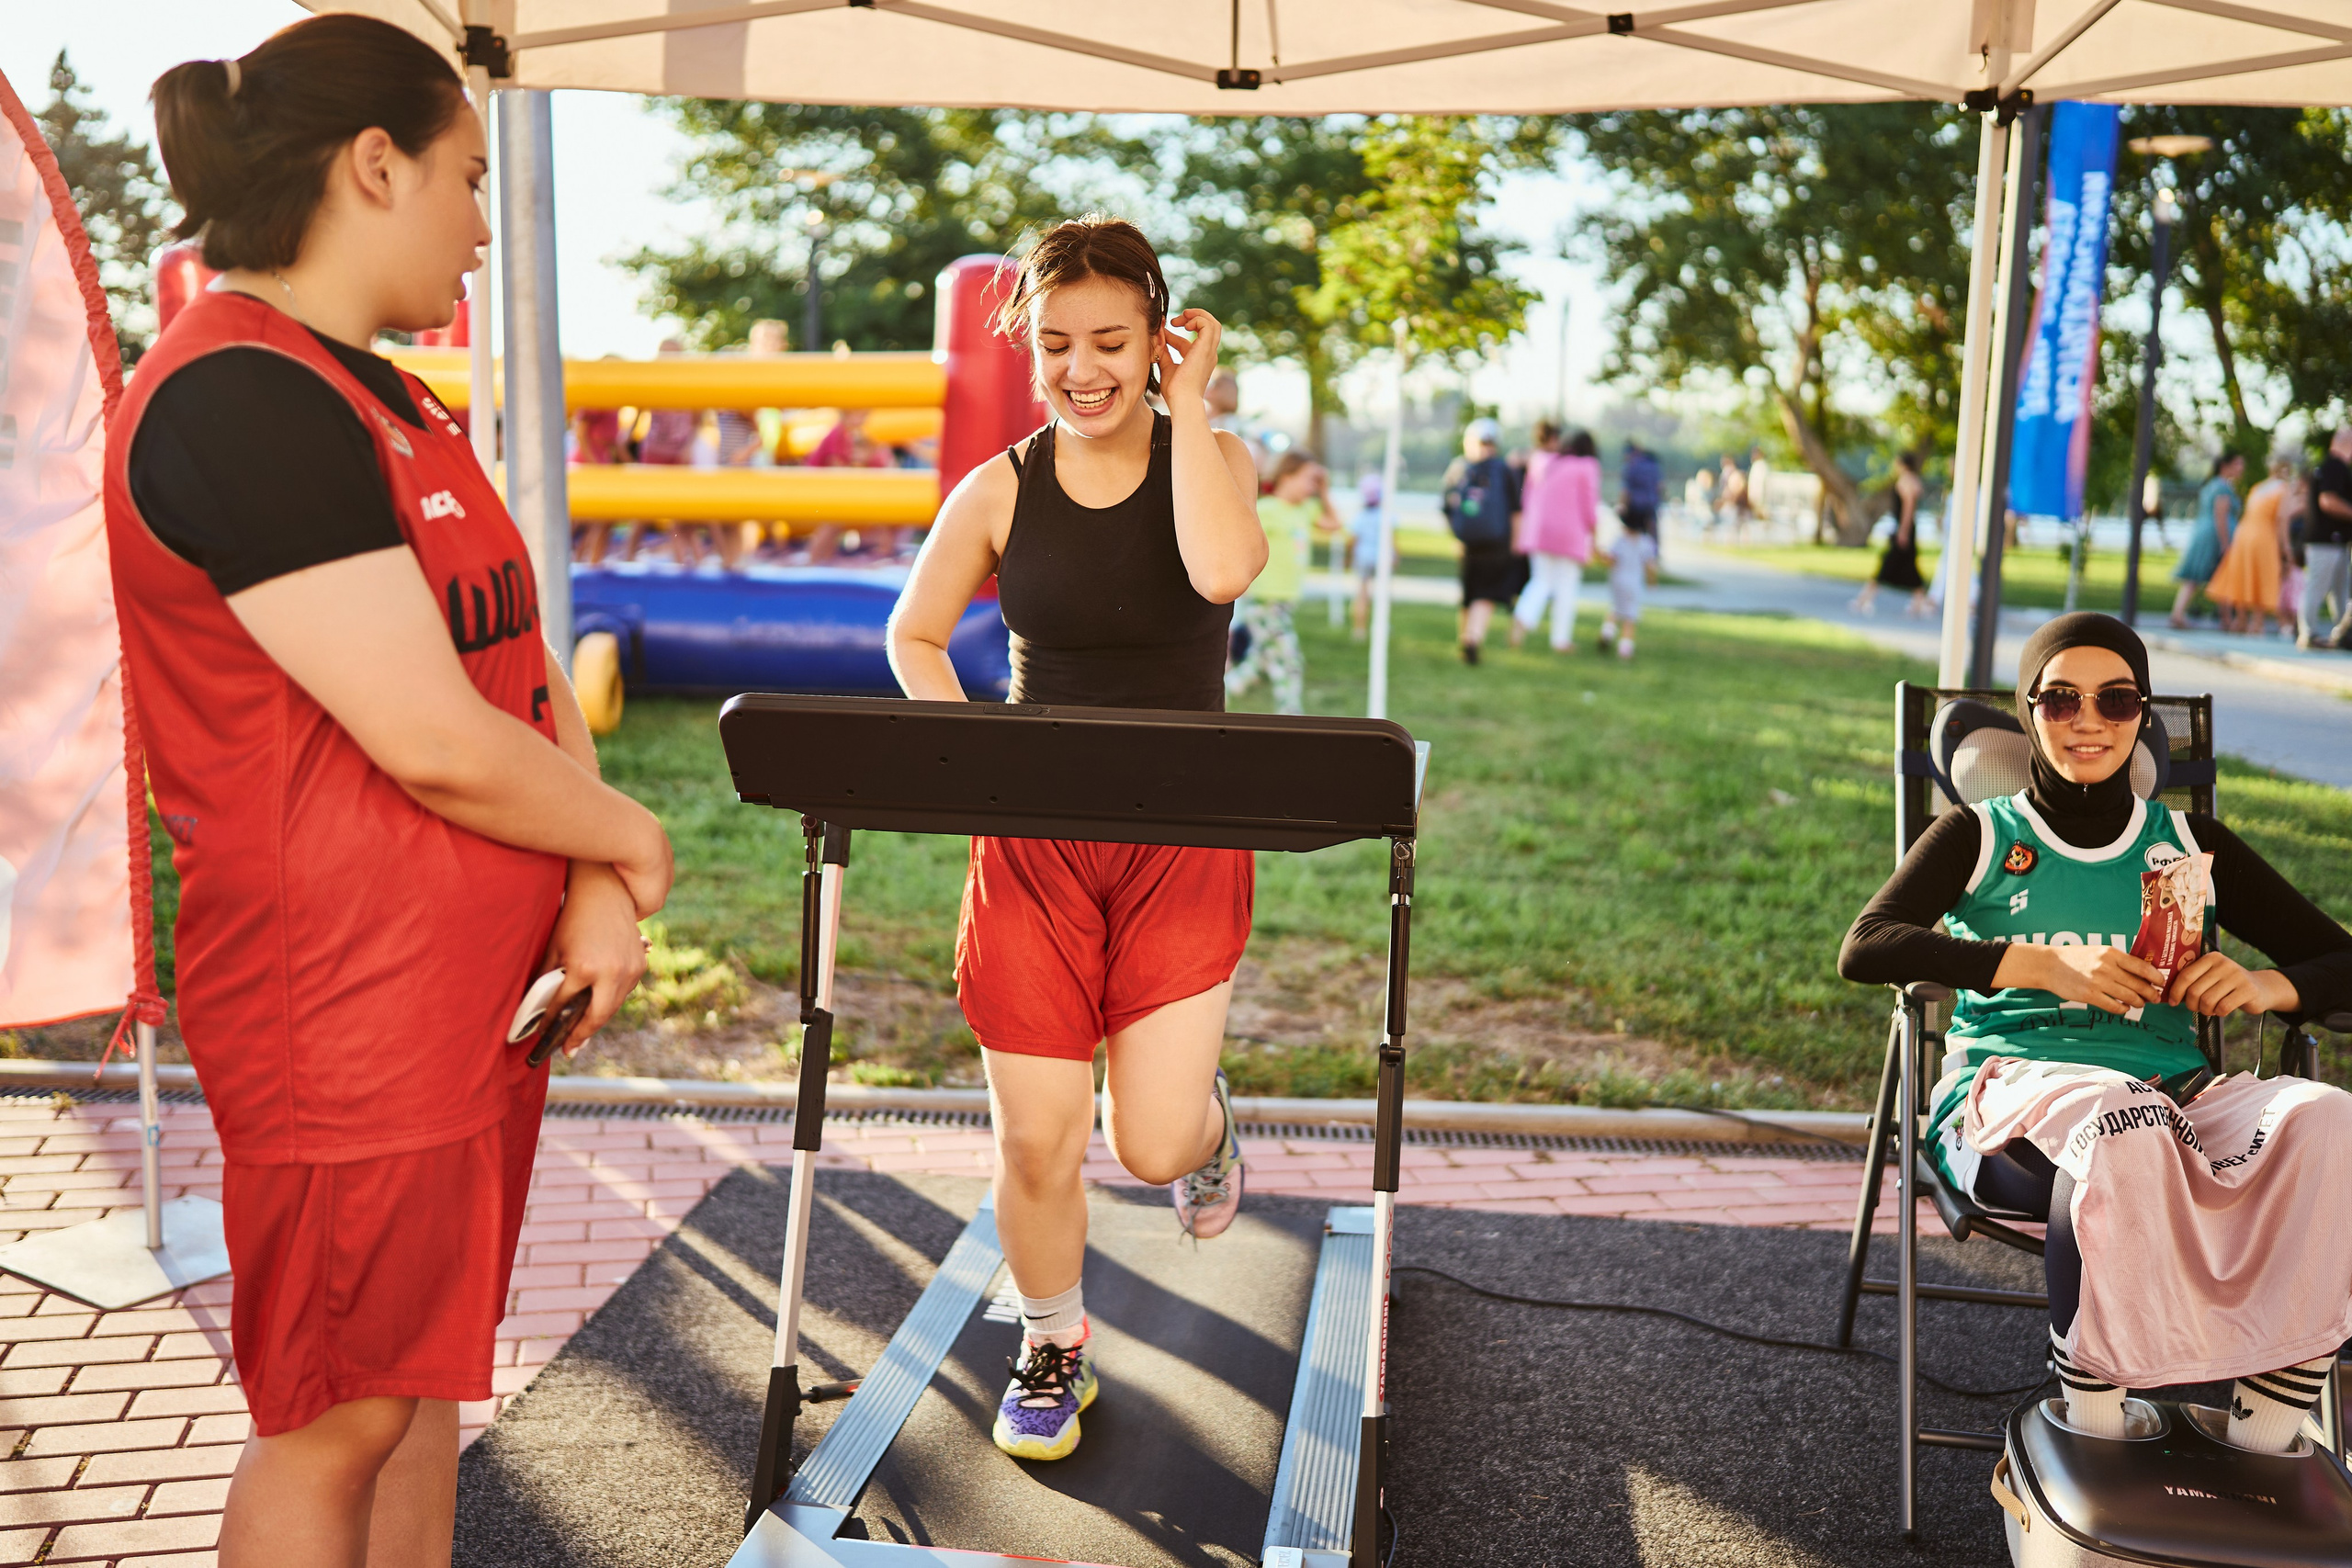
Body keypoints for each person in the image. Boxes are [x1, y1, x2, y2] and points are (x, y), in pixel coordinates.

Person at [121, 20, 672, 1565]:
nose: (486, 228)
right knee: (338, 1417)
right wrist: (633, 839)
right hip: (340, 1022)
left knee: (424, 1390)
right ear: (377, 165)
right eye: (469, 180)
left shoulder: (393, 398)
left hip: (461, 1009)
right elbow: (426, 732)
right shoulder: (239, 398)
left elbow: (521, 667)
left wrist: (579, 884)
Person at [884, 217, 1264, 1465]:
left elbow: (1219, 574)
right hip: (1034, 843)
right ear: (1024, 345)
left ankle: (1206, 1123)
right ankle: (1050, 1340)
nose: (1082, 367)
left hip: (1182, 836)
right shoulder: (997, 484)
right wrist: (963, 751)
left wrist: (1191, 408)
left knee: (1146, 1143)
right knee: (1038, 1136)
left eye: (1113, 340)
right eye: (1056, 343)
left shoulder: (1218, 458)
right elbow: (916, 635)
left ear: (1161, 337)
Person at [1840, 614, 2352, 1452]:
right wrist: (2042, 966)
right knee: (2123, 1122)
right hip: (2014, 1096)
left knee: (2327, 1121)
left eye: (2116, 701)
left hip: (2181, 1096)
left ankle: (2265, 1427)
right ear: (2029, 710)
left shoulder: (2191, 845)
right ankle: (2098, 1416)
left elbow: (2340, 957)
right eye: (2061, 698)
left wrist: (2266, 983)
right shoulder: (1977, 834)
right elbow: (1867, 945)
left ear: (2141, 716)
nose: (2088, 720)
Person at [1227, 450, 1336, 714]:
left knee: (1258, 662)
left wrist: (1324, 491)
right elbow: (1239, 542)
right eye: (1309, 479)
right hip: (1265, 601)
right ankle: (1291, 716)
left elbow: (1333, 523)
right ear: (1287, 476)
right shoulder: (1267, 509)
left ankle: (1222, 691)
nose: (1312, 486)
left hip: (1285, 602)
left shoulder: (1305, 510)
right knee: (1290, 662)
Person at [1510, 423, 1598, 653]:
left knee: (1540, 581)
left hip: (1539, 532)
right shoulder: (1587, 466)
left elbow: (1527, 498)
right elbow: (1589, 506)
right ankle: (1561, 640)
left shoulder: (1541, 461)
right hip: (1570, 534)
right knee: (1566, 588)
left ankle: (1522, 619)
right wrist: (1593, 533)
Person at [1442, 417, 1521, 665]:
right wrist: (1516, 543)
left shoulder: (1460, 468)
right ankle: (1473, 639)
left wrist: (1456, 534)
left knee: (1468, 593)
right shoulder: (1505, 469)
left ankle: (1465, 638)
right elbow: (1516, 510)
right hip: (1497, 543)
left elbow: (1446, 506)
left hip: (1468, 543)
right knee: (1485, 594)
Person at [2208, 456, 2294, 638]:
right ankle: (2257, 623)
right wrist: (2286, 546)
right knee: (2263, 575)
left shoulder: (2258, 488)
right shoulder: (2283, 490)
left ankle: (2241, 620)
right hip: (2264, 536)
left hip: (2244, 533)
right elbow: (2281, 520)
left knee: (2244, 574)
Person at [800, 406, 899, 563]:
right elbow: (837, 471)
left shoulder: (859, 436)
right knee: (833, 520)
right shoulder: (839, 434)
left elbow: (885, 464)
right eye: (860, 415)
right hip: (818, 489)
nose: (864, 420)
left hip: (834, 490)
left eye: (865, 416)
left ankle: (882, 554)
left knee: (874, 518)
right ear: (846, 415)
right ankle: (814, 559)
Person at [1851, 451, 1930, 618]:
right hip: (1907, 529)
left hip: (1904, 529)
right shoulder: (1914, 480)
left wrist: (1903, 531)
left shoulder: (1907, 481)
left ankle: (1864, 599)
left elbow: (1908, 508)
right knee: (1910, 567)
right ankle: (1919, 602)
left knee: (1888, 564)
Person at [2171, 452, 2244, 629]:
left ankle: (2179, 613)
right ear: (2225, 466)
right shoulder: (2223, 488)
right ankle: (2226, 619)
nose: (2241, 469)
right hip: (2214, 536)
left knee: (2197, 576)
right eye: (2237, 464)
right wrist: (2225, 543)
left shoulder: (2211, 485)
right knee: (2223, 573)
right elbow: (2221, 515)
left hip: (2203, 531)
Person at [2301, 425, 2352, 650]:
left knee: (2340, 590)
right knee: (2318, 587)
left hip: (2335, 540)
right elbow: (2328, 501)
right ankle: (2308, 633)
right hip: (2325, 540)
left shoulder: (2331, 466)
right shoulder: (2335, 466)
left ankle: (2342, 634)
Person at [1349, 468, 1385, 639]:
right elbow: (1393, 540)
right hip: (1382, 557)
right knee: (1380, 595)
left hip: (1363, 556)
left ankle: (1359, 628)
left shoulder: (1360, 517)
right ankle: (1380, 624)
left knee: (1362, 594)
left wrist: (1349, 558)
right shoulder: (1386, 516)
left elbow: (1353, 540)